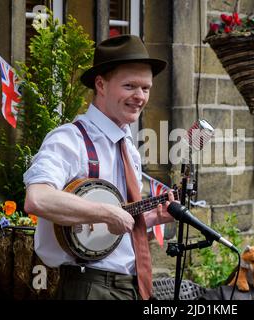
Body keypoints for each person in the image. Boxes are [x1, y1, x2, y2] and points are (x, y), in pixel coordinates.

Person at [23, 35, 175, 300]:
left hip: (132, 286)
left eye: (146, 88)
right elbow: (37, 199)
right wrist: (106, 212)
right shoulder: (69, 139)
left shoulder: (128, 147)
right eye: (130, 86)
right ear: (101, 84)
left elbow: (110, 231)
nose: (139, 97)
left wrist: (150, 219)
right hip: (90, 287)